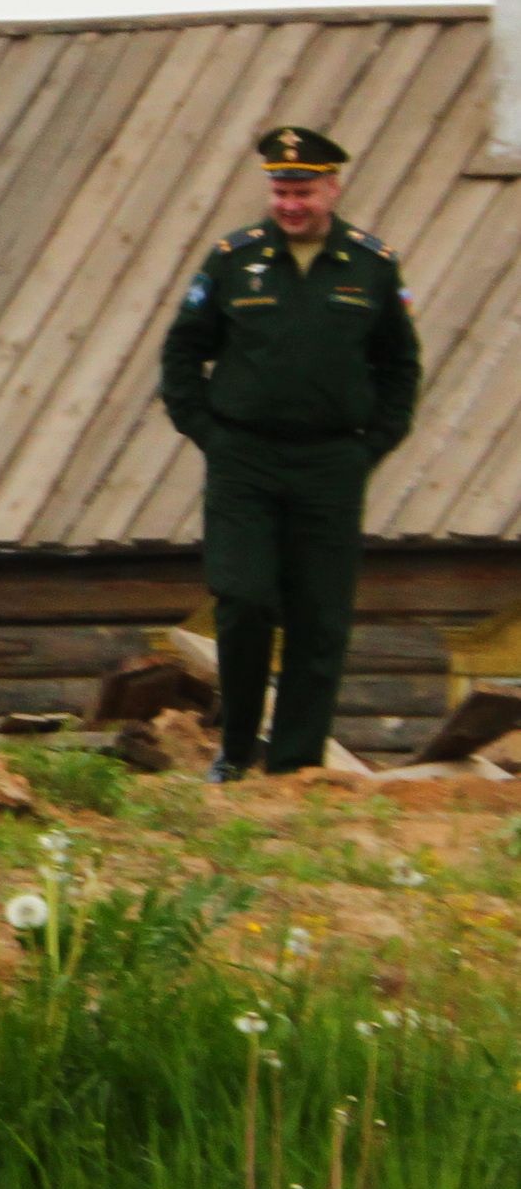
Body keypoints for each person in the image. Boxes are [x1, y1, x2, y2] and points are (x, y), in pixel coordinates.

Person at [157, 125, 421, 781]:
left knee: (318, 616)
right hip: (244, 457)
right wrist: (207, 430)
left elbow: (400, 366)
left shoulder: (371, 264)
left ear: (332, 188)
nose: (291, 202)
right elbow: (184, 350)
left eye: (303, 189)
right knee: (243, 599)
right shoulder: (232, 259)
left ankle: (297, 766)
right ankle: (238, 748)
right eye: (281, 188)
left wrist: (373, 445)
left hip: (332, 461)